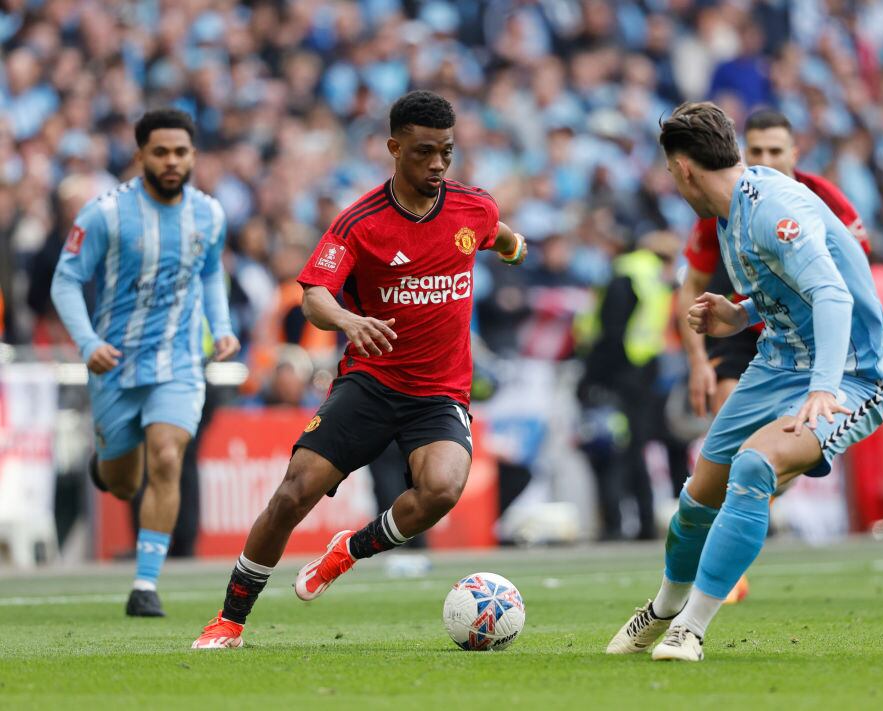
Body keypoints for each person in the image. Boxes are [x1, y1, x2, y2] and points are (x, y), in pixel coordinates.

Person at [191, 90, 528, 649]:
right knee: (292, 494)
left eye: (447, 151)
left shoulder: (475, 209)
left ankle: (348, 551)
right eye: (424, 152)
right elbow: (314, 294)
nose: (438, 164)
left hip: (440, 393)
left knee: (442, 490)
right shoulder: (361, 222)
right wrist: (348, 320)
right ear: (394, 148)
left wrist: (517, 249)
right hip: (371, 384)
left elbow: (505, 238)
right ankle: (229, 619)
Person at [606, 102, 883, 662]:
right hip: (776, 362)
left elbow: (832, 295)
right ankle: (663, 609)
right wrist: (738, 315)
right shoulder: (730, 211)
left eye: (670, 173)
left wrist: (824, 389)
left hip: (849, 375)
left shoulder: (771, 209)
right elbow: (783, 293)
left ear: (684, 168)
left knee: (756, 466)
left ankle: (691, 628)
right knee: (696, 499)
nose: (672, 184)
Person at [50, 109, 239, 617]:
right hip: (114, 364)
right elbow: (66, 280)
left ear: (194, 156)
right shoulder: (104, 213)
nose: (172, 161)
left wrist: (221, 328)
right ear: (140, 156)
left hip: (179, 361)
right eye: (161, 152)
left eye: (181, 152)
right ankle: (107, 464)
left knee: (167, 456)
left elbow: (209, 277)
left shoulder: (210, 215)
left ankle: (145, 584)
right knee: (123, 482)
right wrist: (88, 342)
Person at [678, 108, 871, 601]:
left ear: (794, 155)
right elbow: (692, 284)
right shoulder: (718, 203)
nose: (765, 159)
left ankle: (734, 535)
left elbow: (842, 280)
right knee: (722, 450)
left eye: (774, 151)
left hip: (805, 320)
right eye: (757, 151)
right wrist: (699, 358)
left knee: (756, 464)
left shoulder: (817, 199)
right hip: (751, 315)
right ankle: (724, 542)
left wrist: (829, 375)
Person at [577, 230, 680, 540]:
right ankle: (645, 522)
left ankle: (614, 524)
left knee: (611, 450)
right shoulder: (653, 278)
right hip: (644, 373)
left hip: (617, 376)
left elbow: (610, 330)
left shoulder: (625, 274)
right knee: (635, 450)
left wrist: (590, 377)